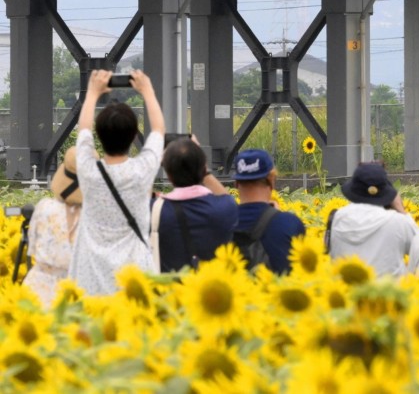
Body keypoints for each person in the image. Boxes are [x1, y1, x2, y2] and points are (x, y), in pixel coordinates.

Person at [69, 69, 165, 295]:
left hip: (90, 277)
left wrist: (92, 94)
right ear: (134, 136)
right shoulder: (142, 170)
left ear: (99, 137)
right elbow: (159, 130)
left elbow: (83, 131)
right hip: (133, 280)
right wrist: (147, 91)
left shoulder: (88, 170)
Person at [152, 137, 238, 272]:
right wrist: (202, 165)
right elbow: (225, 196)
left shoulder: (156, 211)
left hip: (171, 291)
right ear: (204, 168)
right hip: (213, 288)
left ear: (168, 175)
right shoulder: (225, 208)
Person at [328, 162, 419, 277]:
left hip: (345, 291)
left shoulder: (337, 218)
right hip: (389, 292)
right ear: (387, 193)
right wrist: (401, 209)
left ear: (353, 189)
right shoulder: (397, 221)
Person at [23, 147, 82, 307]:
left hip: (38, 289)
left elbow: (32, 248)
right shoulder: (94, 219)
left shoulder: (44, 208)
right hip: (77, 292)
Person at [231, 148, 305, 274]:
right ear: (272, 180)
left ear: (236, 184)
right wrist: (277, 217)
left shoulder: (220, 224)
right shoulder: (290, 224)